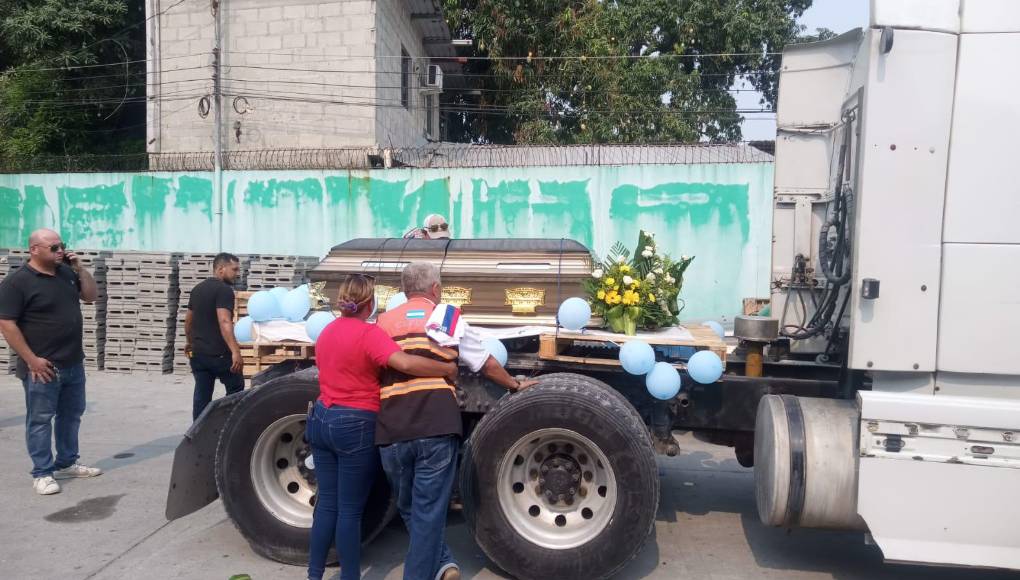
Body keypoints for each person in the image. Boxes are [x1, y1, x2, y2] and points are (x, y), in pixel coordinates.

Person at [376, 262, 537, 580]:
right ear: (435, 289)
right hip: (434, 424)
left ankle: (443, 564)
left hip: (391, 428)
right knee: (428, 512)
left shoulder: (383, 321)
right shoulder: (445, 316)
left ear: (405, 289)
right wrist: (514, 384)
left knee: (409, 507)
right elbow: (484, 363)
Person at [307, 273, 458, 580]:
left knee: (326, 506)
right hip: (354, 423)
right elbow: (405, 364)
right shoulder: (369, 334)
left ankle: (314, 575)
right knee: (350, 511)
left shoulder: (325, 333)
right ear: (370, 302)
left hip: (321, 418)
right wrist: (446, 368)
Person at [0, 229, 101, 495]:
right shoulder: (17, 282)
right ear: (34, 249)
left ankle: (67, 462)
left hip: (72, 362)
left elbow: (90, 297)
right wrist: (31, 360)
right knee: (40, 419)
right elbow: (6, 323)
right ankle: (42, 473)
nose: (60, 251)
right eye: (54, 247)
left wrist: (80, 269)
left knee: (71, 415)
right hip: (41, 368)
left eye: (62, 246)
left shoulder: (67, 273)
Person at [185, 252, 244, 421]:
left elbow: (188, 320)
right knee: (236, 389)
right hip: (219, 355)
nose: (237, 273)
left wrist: (189, 343)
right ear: (220, 269)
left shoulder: (197, 289)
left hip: (198, 355)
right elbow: (225, 321)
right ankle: (229, 427)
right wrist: (235, 352)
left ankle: (197, 434)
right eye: (234, 269)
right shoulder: (224, 291)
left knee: (202, 395)